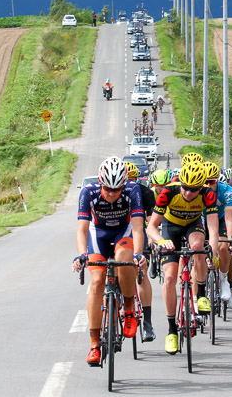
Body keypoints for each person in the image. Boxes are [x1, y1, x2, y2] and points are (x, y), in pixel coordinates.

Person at [72, 156, 146, 366]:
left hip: (124, 231)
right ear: (100, 182)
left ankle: (129, 307)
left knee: (125, 258)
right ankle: (95, 343)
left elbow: (138, 228)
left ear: (124, 185)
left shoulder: (133, 191)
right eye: (108, 189)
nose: (112, 194)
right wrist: (81, 254)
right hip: (99, 233)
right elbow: (82, 229)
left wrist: (138, 254)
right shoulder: (89, 192)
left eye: (117, 190)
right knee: (96, 281)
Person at [146, 161, 220, 354]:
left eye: (193, 190)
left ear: (201, 187)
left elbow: (213, 228)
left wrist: (212, 251)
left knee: (198, 247)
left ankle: (201, 294)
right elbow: (151, 227)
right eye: (185, 188)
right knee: (170, 278)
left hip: (193, 224)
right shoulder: (168, 192)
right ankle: (171, 331)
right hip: (170, 228)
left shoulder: (208, 193)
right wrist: (161, 241)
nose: (188, 194)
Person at [124, 161, 157, 341]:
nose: (129, 183)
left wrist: (152, 238)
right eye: (126, 179)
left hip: (139, 232)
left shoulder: (145, 192)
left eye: (132, 179)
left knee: (141, 270)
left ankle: (147, 322)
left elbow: (151, 220)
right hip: (119, 233)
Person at [203, 162, 232, 309]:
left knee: (224, 246)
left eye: (211, 182)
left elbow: (231, 219)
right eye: (204, 182)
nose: (208, 185)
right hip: (202, 221)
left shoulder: (227, 191)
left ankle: (224, 280)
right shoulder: (197, 191)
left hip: (222, 219)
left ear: (217, 181)